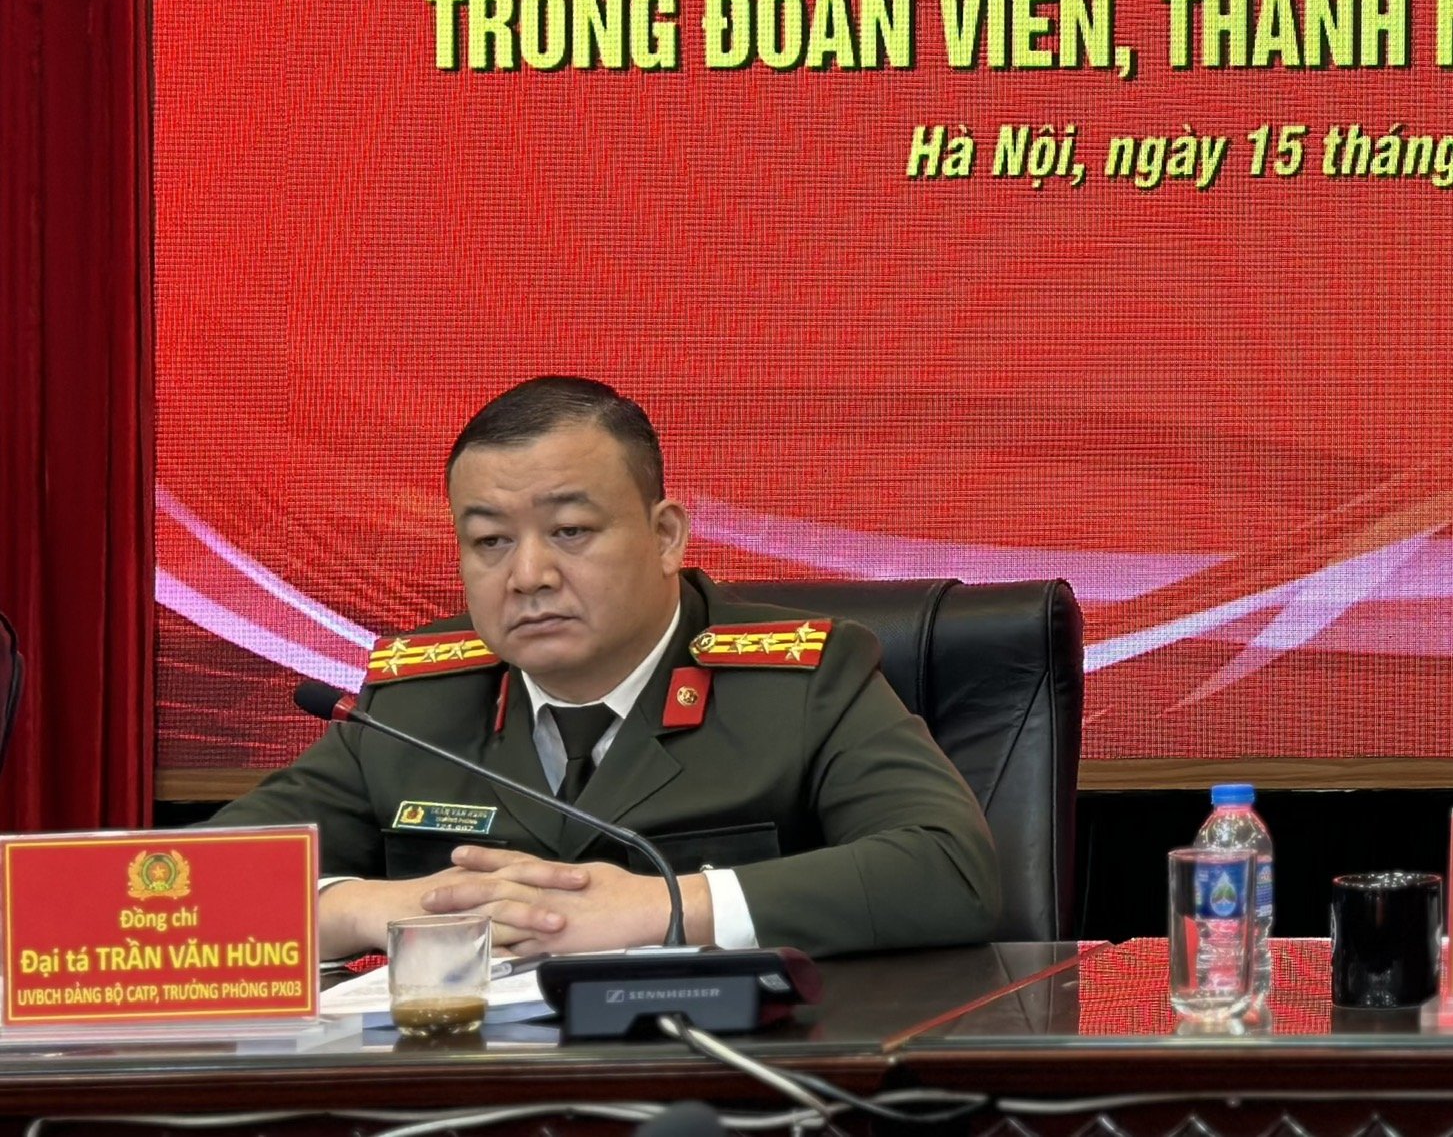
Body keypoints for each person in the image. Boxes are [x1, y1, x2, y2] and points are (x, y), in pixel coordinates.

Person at [215, 376, 1001, 958]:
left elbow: (950, 870)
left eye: (570, 531)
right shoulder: (411, 704)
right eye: (490, 542)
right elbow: (179, 890)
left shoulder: (801, 681)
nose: (528, 576)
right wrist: (371, 908)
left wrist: (665, 907)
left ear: (665, 536)